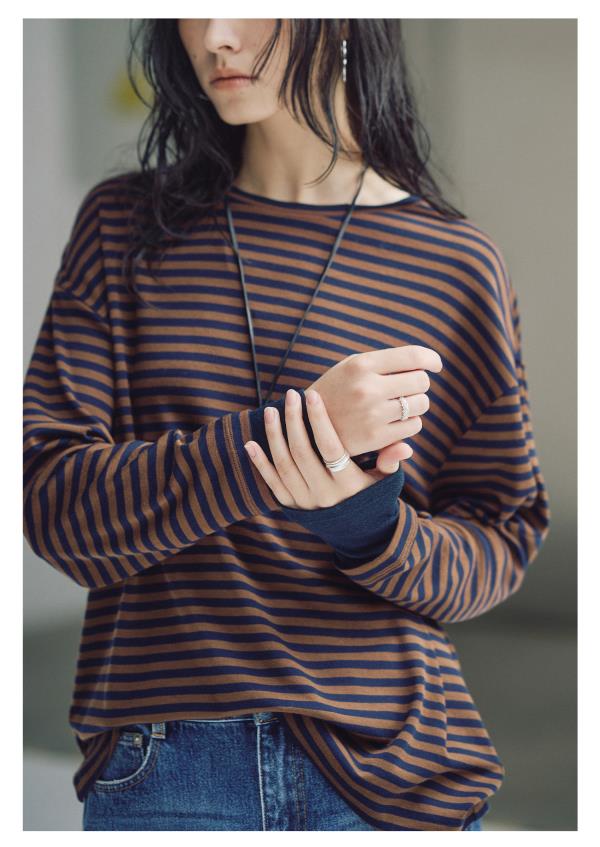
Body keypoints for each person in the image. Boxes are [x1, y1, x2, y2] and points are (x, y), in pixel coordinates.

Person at [22, 19, 550, 831]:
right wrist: (276, 448)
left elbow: (501, 537)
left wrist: (369, 528)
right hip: (171, 761)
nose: (216, 35)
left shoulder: (456, 264)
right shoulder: (123, 226)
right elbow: (57, 509)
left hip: (396, 768)